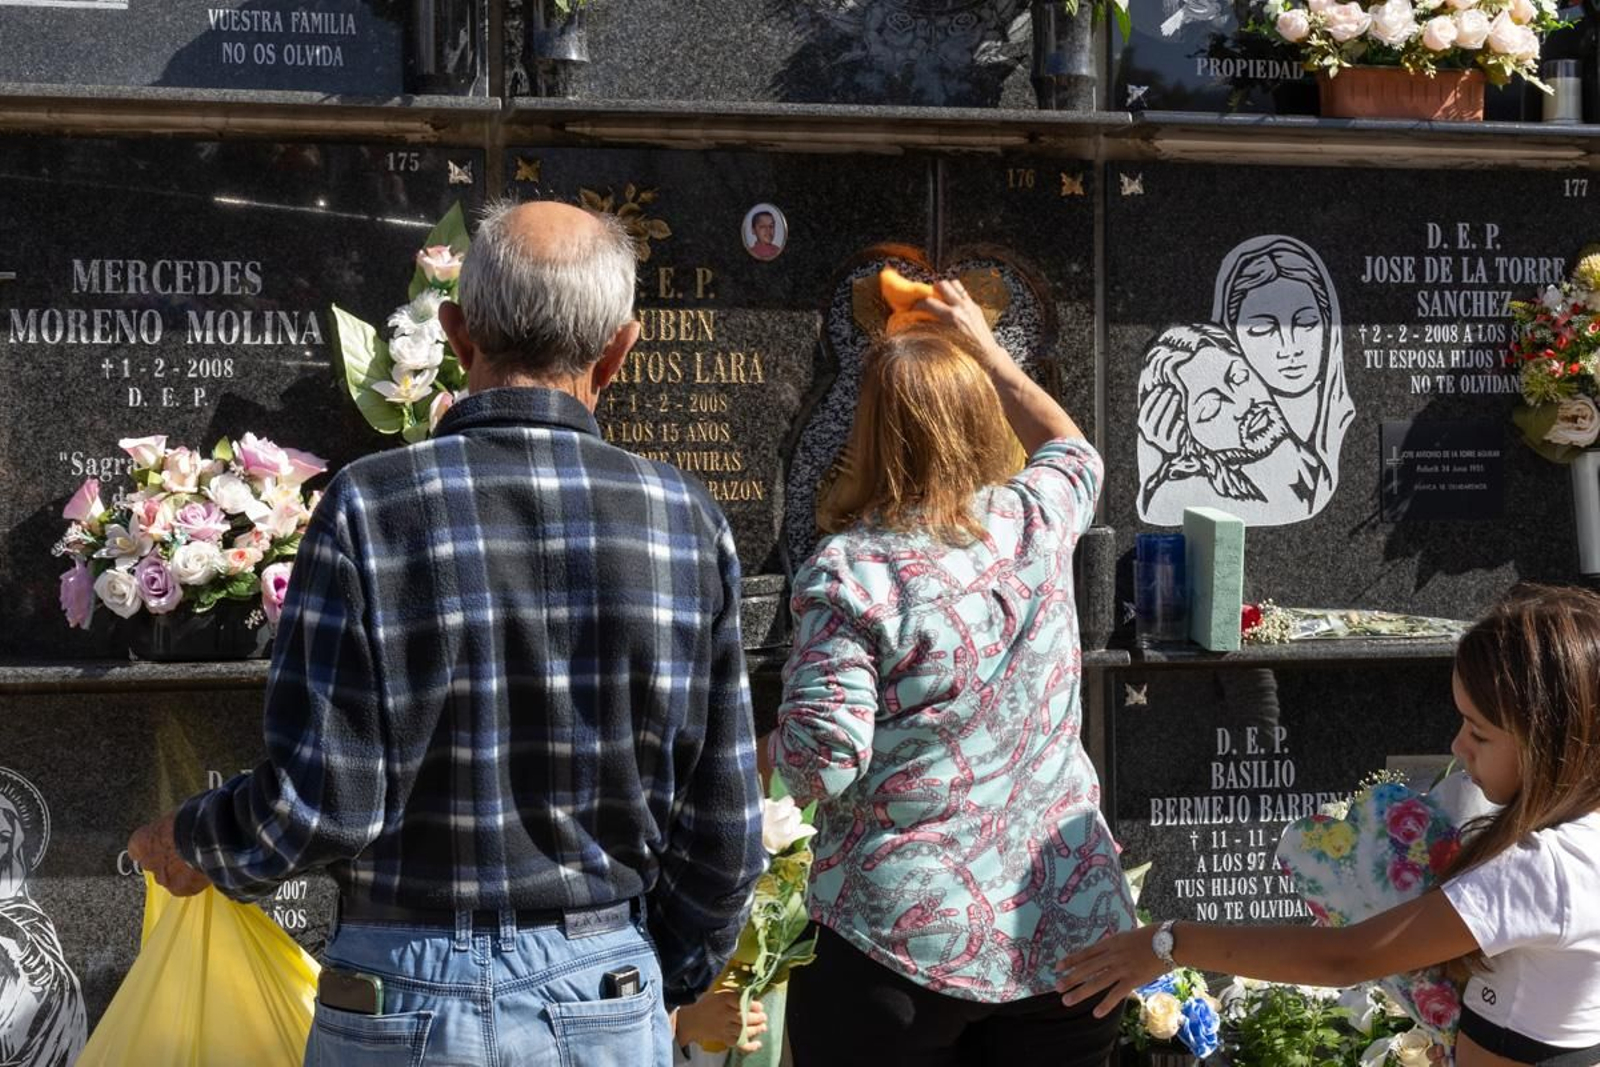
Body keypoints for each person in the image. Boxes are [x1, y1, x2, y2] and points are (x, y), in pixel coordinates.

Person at [127, 200, 768, 1065]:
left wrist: (195, 838)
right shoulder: (686, 523)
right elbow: (724, 834)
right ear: (619, 350)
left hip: (397, 992)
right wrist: (654, 972)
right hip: (602, 987)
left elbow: (322, 803)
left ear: (459, 335)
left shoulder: (368, 506)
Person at [771, 279, 1136, 1066]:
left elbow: (822, 761)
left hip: (899, 945)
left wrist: (751, 748)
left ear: (869, 431)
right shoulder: (1033, 521)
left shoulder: (853, 571)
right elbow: (1074, 450)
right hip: (1068, 931)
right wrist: (987, 349)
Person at [1057, 584, 1600, 1067]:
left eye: (1478, 733)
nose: (1459, 746)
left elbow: (1345, 957)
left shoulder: (1544, 867)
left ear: (1551, 741)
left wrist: (1166, 942)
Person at [1136, 323, 1326, 525]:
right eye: (1211, 407)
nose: (1242, 404)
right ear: (1178, 431)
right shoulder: (1182, 493)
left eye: (1239, 377)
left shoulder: (1311, 462)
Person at [1212, 234, 1353, 500]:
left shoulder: (1347, 419)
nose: (1290, 347)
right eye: (1262, 329)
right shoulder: (1217, 443)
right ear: (1232, 337)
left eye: (1306, 322)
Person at [0, 769, 85, 1067]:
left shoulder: (26, 919)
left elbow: (59, 992)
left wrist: (14, 936)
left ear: (14, 846)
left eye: (1, 837)